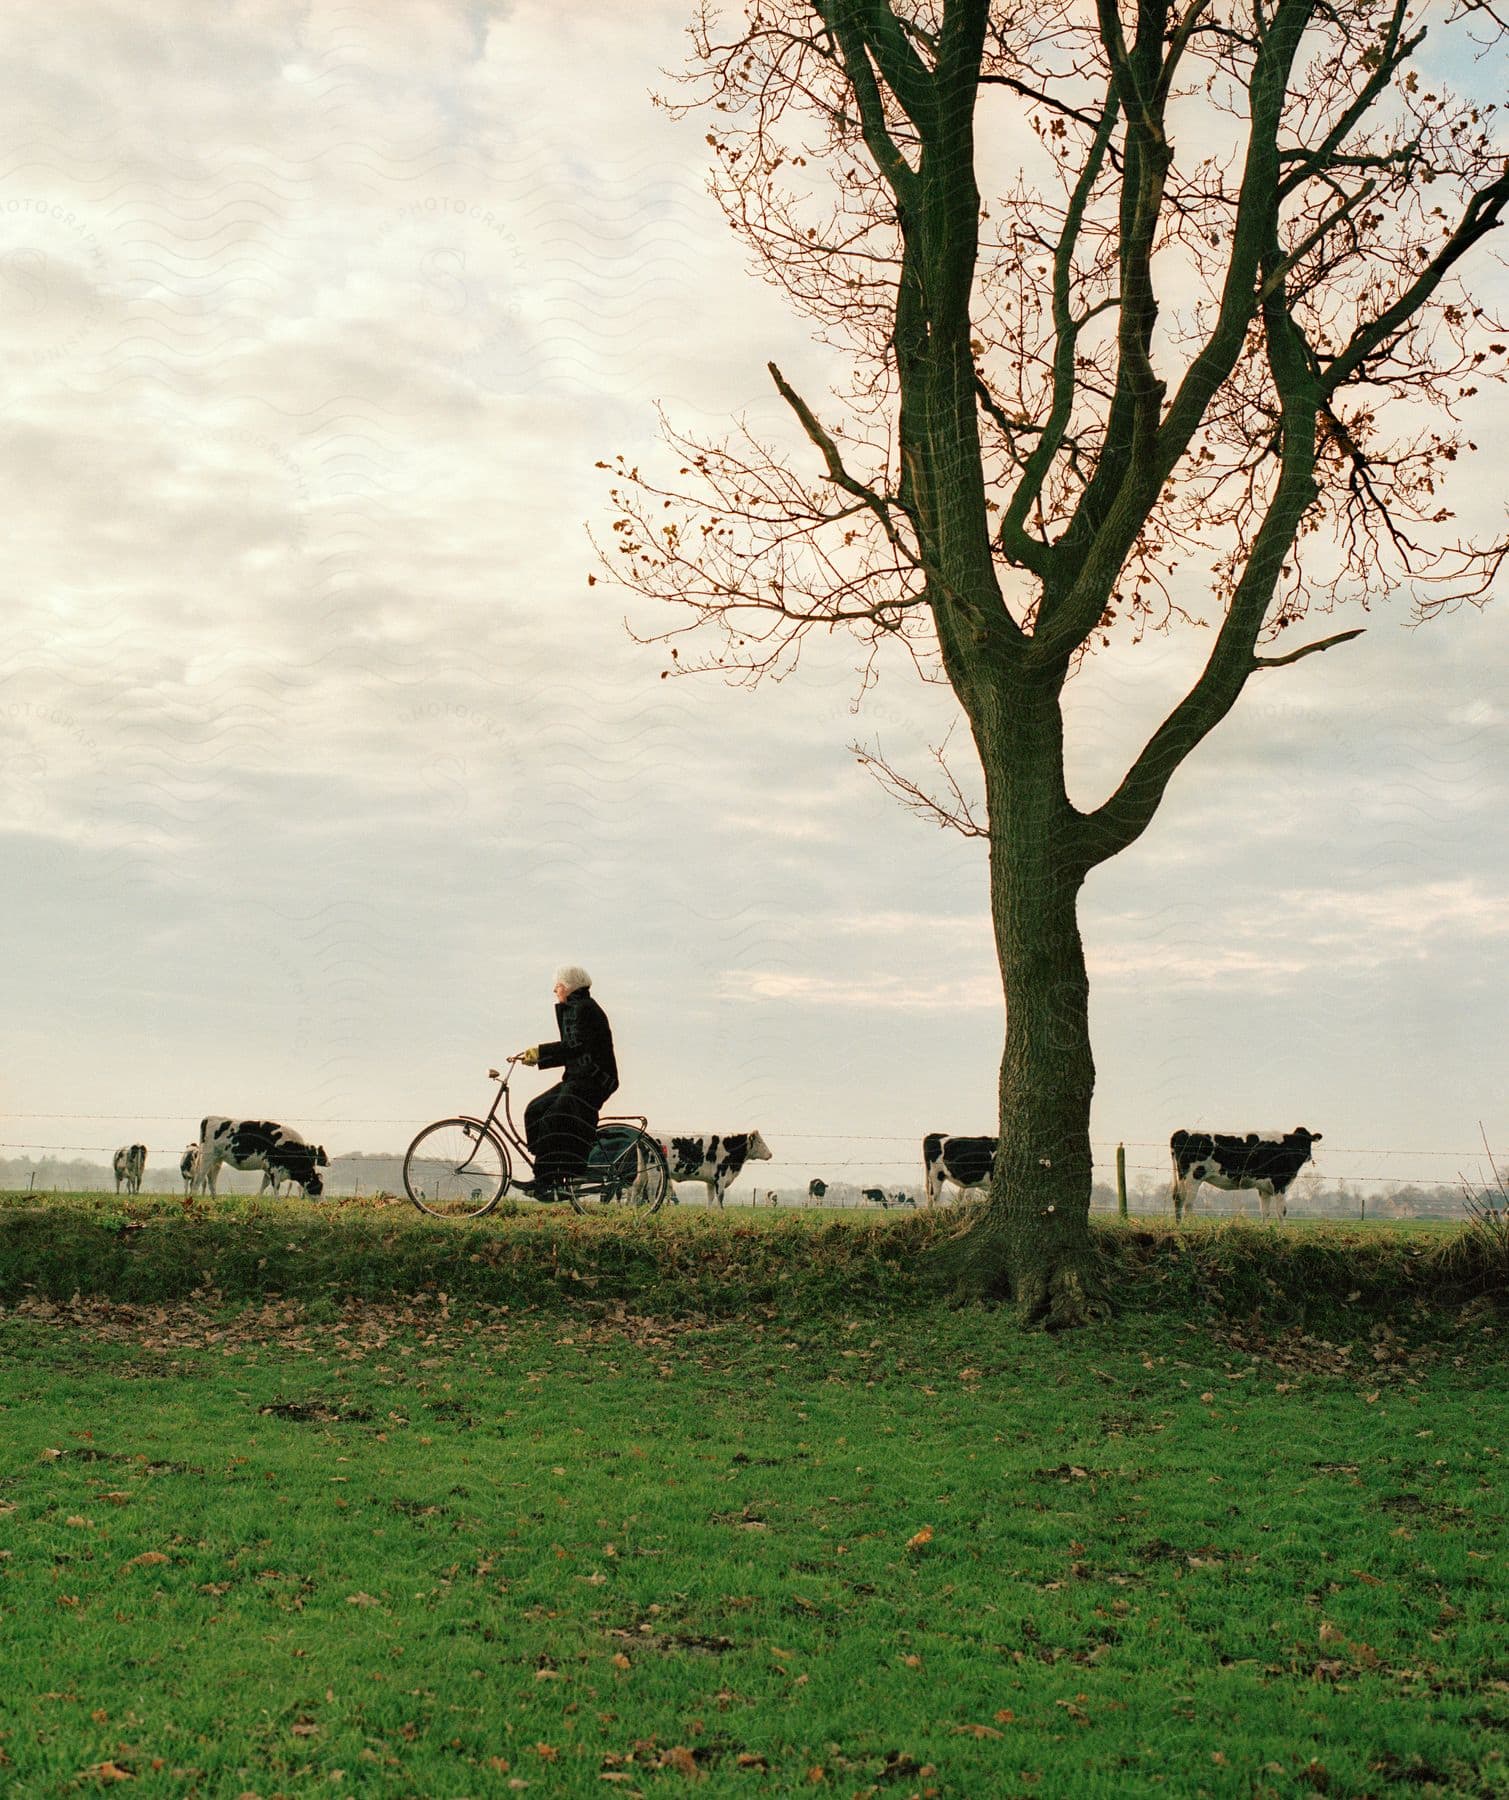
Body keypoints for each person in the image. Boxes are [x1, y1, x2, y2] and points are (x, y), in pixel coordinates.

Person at [512, 965, 619, 1201]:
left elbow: (573, 1046)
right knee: (536, 1110)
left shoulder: (583, 1009)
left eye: (558, 985)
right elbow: (572, 1049)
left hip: (594, 1079)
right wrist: (536, 1057)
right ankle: (552, 1172)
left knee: (553, 1118)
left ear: (570, 987)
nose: (555, 990)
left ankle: (549, 1179)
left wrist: (538, 1052)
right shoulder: (576, 1007)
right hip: (579, 1077)